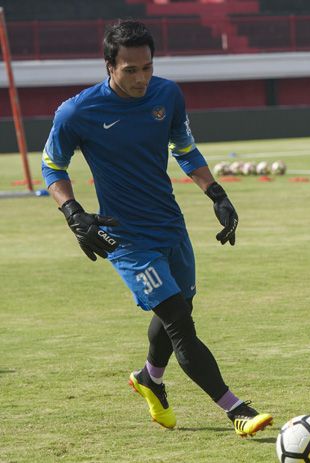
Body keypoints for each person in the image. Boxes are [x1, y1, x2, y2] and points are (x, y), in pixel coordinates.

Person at [41, 20, 273, 437]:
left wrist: (216, 194)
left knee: (177, 309)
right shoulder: (77, 112)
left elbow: (184, 149)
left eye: (147, 67)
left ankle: (149, 379)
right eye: (130, 70)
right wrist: (73, 213)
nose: (141, 78)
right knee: (181, 324)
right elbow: (52, 166)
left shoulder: (167, 94)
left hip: (171, 228)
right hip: (126, 239)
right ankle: (236, 409)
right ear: (109, 66)